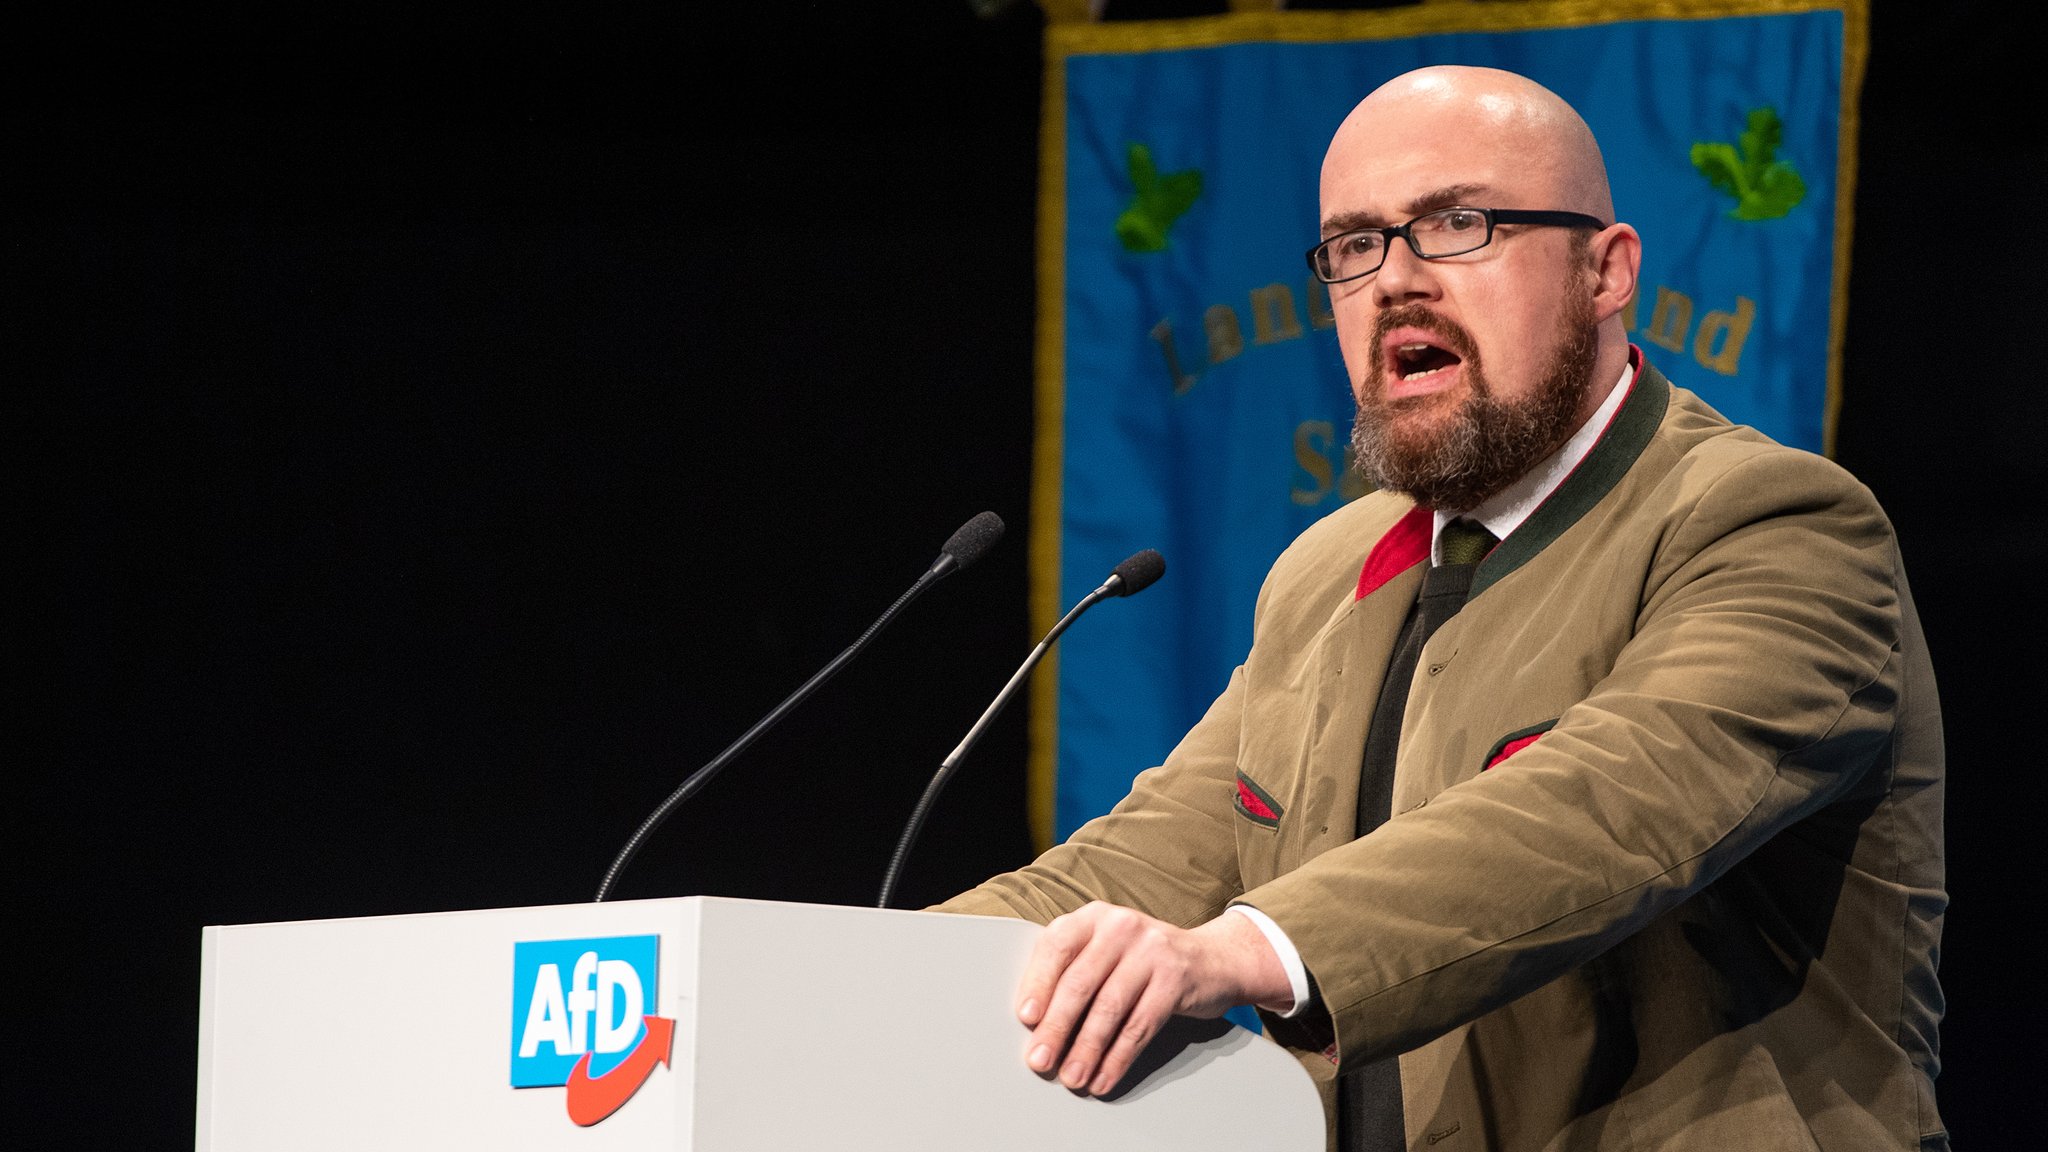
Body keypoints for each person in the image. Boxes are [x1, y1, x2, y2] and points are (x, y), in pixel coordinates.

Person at [935, 65, 1945, 1151]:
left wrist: (1240, 949)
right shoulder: (1328, 571)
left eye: (1457, 224)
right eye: (1353, 246)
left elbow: (1600, 814)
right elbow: (1149, 858)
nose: (1395, 282)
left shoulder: (1774, 527)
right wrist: (821, 966)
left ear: (1604, 272)